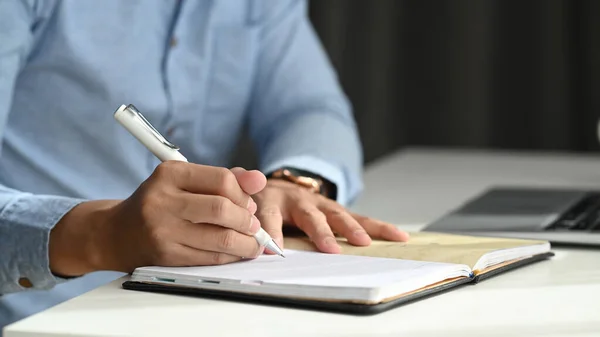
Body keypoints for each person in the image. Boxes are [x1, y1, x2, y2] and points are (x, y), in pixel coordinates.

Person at [0, 0, 409, 330]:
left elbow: (309, 108)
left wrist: (294, 183)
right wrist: (101, 235)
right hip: (44, 314)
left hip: (210, 312)